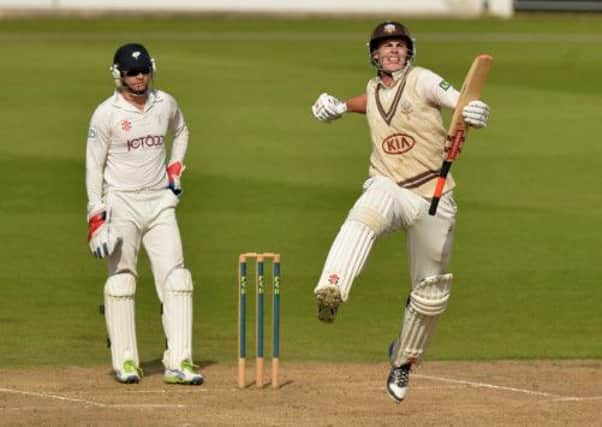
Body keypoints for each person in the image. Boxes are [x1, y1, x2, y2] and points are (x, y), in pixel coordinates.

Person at [311, 21, 490, 402]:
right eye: (386, 46)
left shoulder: (423, 80)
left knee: (431, 293)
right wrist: (341, 106)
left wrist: (471, 110)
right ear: (374, 54)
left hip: (433, 193)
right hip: (389, 184)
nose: (393, 51)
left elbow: (456, 100)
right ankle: (332, 287)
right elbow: (371, 104)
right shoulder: (374, 88)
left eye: (399, 45)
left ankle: (403, 362)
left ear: (409, 52)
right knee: (365, 214)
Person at [85, 43, 203, 385]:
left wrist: (175, 168)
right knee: (122, 281)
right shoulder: (106, 114)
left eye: (143, 71)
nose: (139, 78)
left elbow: (181, 131)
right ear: (118, 75)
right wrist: (96, 215)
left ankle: (179, 361)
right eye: (131, 73)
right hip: (121, 203)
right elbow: (93, 166)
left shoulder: (165, 103)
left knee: (177, 279)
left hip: (160, 203)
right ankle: (126, 362)